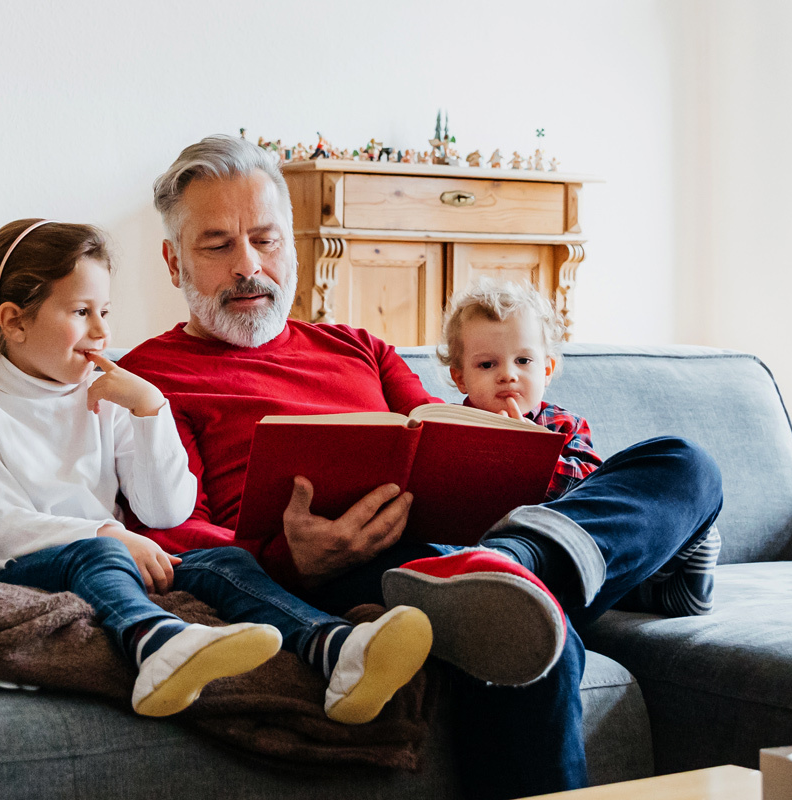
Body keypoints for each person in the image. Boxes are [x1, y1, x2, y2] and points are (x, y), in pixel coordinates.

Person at [118, 135, 723, 798]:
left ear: (291, 244)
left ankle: (520, 563)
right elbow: (175, 535)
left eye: (265, 239)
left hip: (466, 546)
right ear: (175, 260)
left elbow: (443, 436)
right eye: (217, 245)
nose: (248, 266)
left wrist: (503, 451)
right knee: (529, 640)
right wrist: (290, 560)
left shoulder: (359, 348)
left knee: (685, 465)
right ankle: (536, 575)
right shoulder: (146, 381)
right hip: (354, 576)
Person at [0, 218, 433, 724]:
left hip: (109, 560)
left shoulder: (109, 398)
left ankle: (335, 647)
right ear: (15, 322)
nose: (103, 332)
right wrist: (109, 533)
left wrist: (151, 411)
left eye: (104, 311)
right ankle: (157, 646)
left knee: (224, 563)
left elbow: (166, 507)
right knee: (100, 553)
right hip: (7, 573)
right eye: (82, 312)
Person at [418, 277, 721, 622]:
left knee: (684, 461)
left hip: (565, 550)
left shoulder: (563, 425)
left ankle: (661, 582)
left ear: (546, 370)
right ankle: (647, 584)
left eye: (523, 361)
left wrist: (537, 453)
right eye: (487, 365)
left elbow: (593, 491)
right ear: (461, 379)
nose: (507, 375)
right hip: (476, 550)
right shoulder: (450, 428)